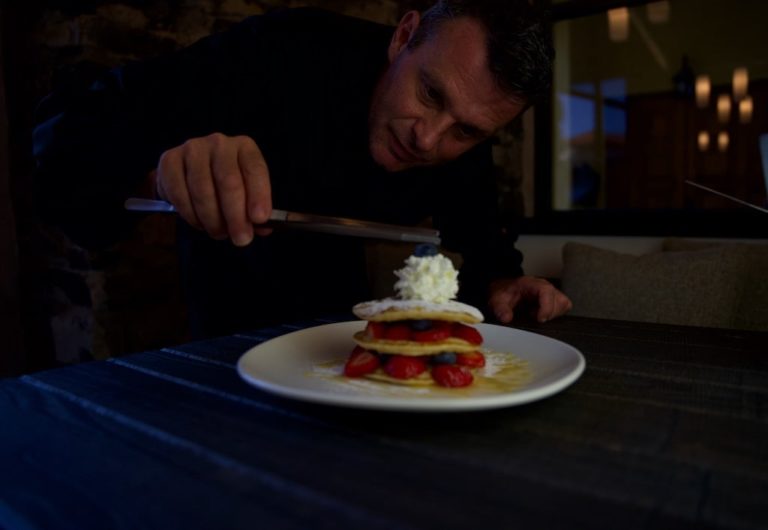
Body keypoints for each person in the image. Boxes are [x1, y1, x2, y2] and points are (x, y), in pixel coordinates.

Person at [32, 0, 572, 339]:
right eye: (428, 93)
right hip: (228, 337)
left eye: (467, 131)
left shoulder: (462, 132)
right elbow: (66, 130)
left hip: (349, 344)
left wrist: (506, 279)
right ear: (403, 36)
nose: (428, 138)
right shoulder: (284, 50)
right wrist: (159, 173)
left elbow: (479, 237)